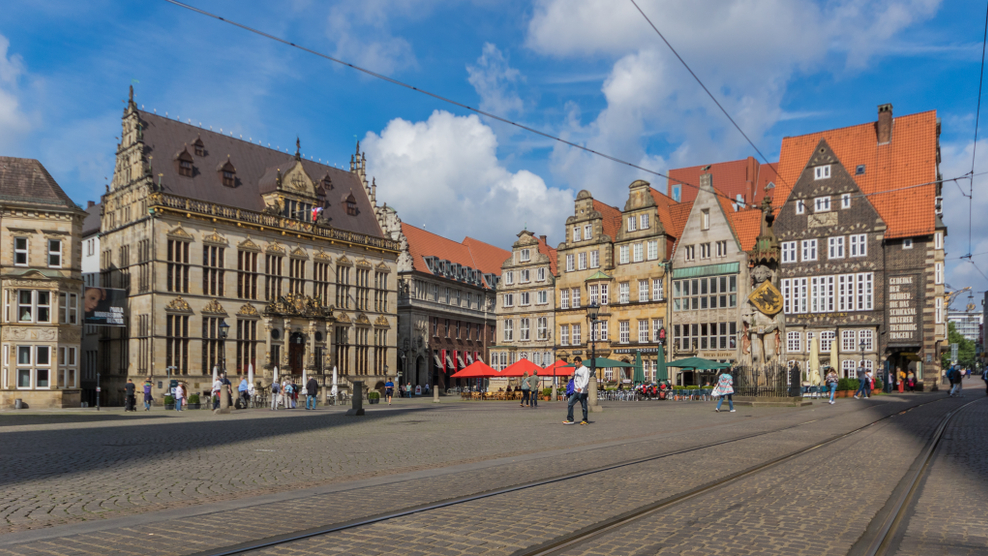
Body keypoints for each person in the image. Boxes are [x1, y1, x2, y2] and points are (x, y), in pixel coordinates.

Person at [563, 356, 590, 425]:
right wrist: (573, 375)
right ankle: (570, 419)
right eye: (575, 362)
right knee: (570, 403)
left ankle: (585, 420)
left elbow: (586, 380)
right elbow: (576, 379)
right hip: (575, 391)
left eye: (576, 362)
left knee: (584, 406)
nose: (575, 364)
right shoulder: (576, 369)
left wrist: (581, 387)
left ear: (580, 362)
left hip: (582, 391)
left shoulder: (585, 369)